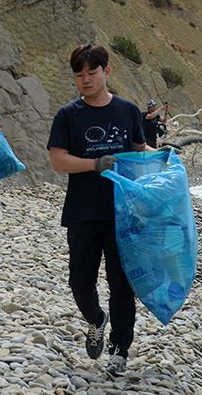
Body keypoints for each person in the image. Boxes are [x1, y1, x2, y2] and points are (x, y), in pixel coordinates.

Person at [47, 44, 154, 377]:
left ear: (107, 72)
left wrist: (164, 160)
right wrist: (94, 163)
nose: (85, 80)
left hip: (124, 213)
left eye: (91, 73)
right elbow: (57, 159)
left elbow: (139, 150)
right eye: (79, 75)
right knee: (80, 281)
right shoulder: (68, 115)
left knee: (121, 284)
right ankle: (96, 320)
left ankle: (120, 350)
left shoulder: (127, 111)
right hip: (83, 211)